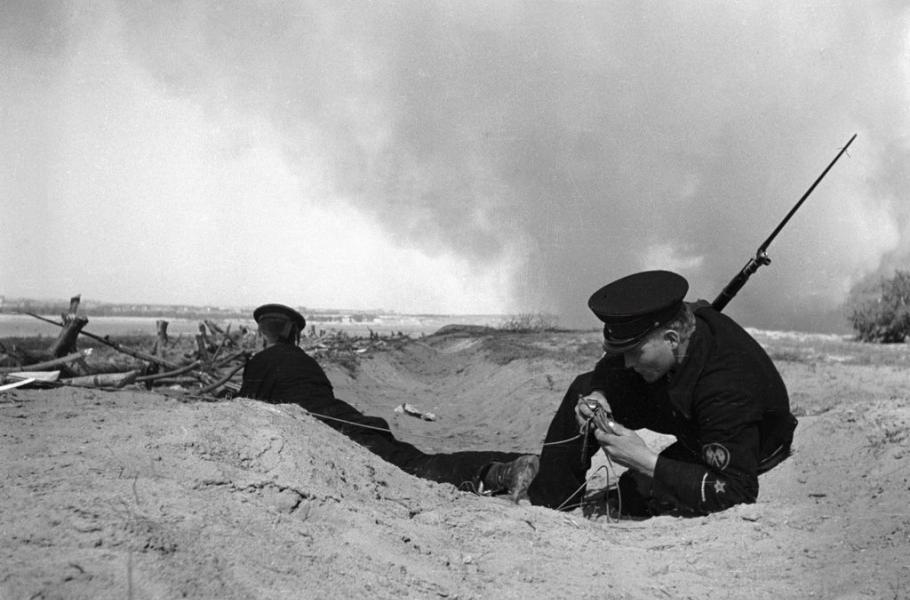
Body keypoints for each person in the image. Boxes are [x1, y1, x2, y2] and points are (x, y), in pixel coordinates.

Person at [522, 270, 798, 516]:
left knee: (633, 494)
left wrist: (644, 461)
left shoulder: (726, 387)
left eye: (636, 352)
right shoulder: (668, 323)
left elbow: (738, 490)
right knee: (584, 391)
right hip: (683, 404)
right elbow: (617, 358)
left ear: (671, 339)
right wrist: (600, 392)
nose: (628, 364)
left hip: (741, 445)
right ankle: (551, 500)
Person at [239, 303, 539, 501]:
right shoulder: (306, 361)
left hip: (335, 433)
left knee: (417, 471)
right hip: (352, 423)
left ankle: (500, 473)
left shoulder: (259, 364)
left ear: (262, 333)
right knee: (416, 461)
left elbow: (244, 408)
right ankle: (519, 461)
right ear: (293, 333)